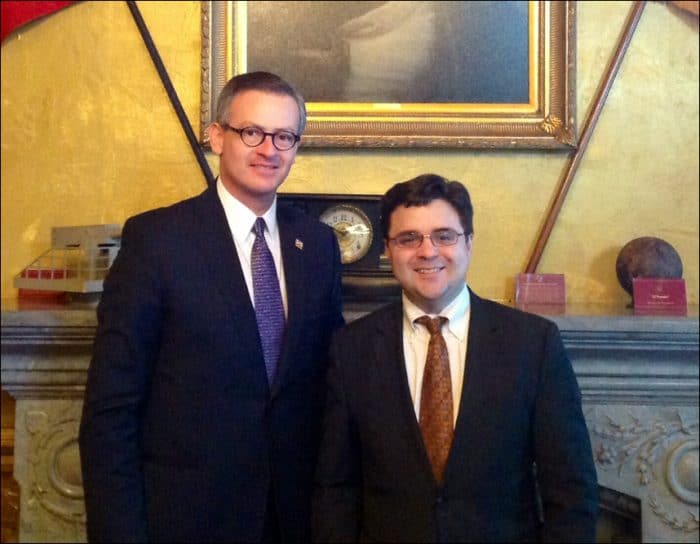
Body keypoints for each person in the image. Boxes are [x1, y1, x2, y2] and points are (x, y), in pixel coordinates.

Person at [79, 71, 344, 543]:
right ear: (217, 137)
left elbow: (328, 385)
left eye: (284, 136)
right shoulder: (157, 241)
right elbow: (111, 410)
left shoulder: (318, 244)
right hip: (185, 519)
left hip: (293, 517)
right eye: (252, 132)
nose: (269, 149)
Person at [312, 174, 598, 542]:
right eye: (408, 238)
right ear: (387, 250)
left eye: (444, 235)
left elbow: (571, 490)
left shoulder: (533, 344)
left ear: (469, 244)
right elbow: (335, 489)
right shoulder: (352, 348)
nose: (427, 251)